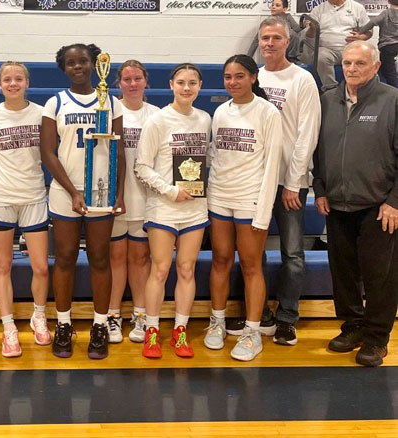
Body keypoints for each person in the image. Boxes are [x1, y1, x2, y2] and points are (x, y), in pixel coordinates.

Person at [313, 41, 398, 367]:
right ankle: (352, 328)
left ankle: (376, 339)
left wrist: (394, 202)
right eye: (347, 63)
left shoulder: (391, 100)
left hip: (379, 207)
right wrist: (320, 189)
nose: (351, 69)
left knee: (380, 278)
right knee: (344, 274)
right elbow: (317, 151)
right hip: (336, 204)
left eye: (359, 63)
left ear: (375, 67)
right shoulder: (328, 100)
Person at [40, 43, 125, 360]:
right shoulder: (56, 102)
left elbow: (118, 150)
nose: (78, 66)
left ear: (95, 65)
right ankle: (63, 324)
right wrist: (73, 192)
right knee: (63, 259)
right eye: (71, 63)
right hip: (65, 192)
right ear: (64, 67)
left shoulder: (111, 101)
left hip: (100, 191)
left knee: (100, 259)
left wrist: (118, 194)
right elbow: (48, 153)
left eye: (84, 61)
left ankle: (100, 325)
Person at [204, 54, 282, 362]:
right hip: (220, 197)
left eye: (239, 76)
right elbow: (214, 156)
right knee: (220, 260)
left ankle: (252, 330)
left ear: (253, 77)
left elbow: (273, 164)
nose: (232, 82)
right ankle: (217, 321)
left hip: (251, 198)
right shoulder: (220, 112)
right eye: (227, 77)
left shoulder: (267, 112)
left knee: (251, 266)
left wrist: (264, 211)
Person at [135, 63, 211, 358]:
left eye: (193, 82)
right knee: (161, 269)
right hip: (164, 208)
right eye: (181, 82)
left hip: (194, 208)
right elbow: (141, 166)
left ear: (200, 87)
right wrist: (169, 190)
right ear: (171, 85)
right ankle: (152, 330)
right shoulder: (158, 120)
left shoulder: (205, 119)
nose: (187, 88)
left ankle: (180, 330)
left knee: (186, 269)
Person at [255, 17, 322, 346]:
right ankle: (260, 313)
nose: (269, 43)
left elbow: (307, 134)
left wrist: (294, 181)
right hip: (256, 183)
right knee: (254, 254)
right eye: (265, 37)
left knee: (292, 255)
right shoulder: (254, 76)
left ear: (288, 42)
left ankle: (287, 316)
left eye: (276, 38)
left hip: (289, 183)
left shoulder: (303, 79)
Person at [0, 61, 52, 357]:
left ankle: (39, 315)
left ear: (26, 82)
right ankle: (8, 326)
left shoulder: (40, 113)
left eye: (18, 79)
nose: (13, 83)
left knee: (40, 266)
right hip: (0, 198)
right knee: (3, 265)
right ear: (0, 85)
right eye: (7, 79)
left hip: (34, 196)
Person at [107, 60, 157, 344]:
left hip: (145, 198)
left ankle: (140, 313)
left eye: (137, 78)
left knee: (140, 259)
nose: (132, 83)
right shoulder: (109, 110)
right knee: (115, 258)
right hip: (114, 198)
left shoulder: (157, 115)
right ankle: (113, 315)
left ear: (145, 80)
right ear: (119, 82)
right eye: (126, 79)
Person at [300, 0, 371, 91]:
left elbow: (369, 32)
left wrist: (360, 37)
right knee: (320, 56)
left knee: (368, 55)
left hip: (351, 49)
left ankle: (359, 90)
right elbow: (309, 36)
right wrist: (312, 29)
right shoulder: (318, 10)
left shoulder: (357, 7)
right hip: (326, 50)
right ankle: (331, 89)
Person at [355, 0, 398, 88]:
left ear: (389, 2)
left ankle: (394, 92)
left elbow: (372, 22)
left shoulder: (386, 13)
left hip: (387, 45)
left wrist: (359, 32)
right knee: (385, 67)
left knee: (390, 72)